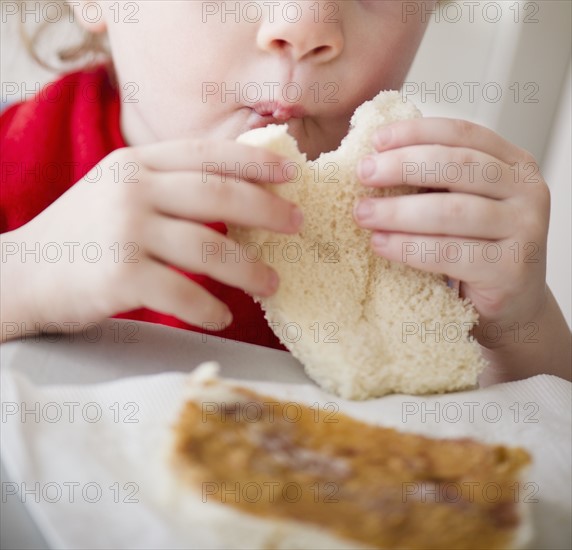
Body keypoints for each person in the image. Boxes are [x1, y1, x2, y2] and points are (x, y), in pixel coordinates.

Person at [1, 1, 570, 384]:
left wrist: (523, 326)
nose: (307, 22)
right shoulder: (16, 163)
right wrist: (22, 277)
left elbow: (530, 439)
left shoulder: (438, 216)